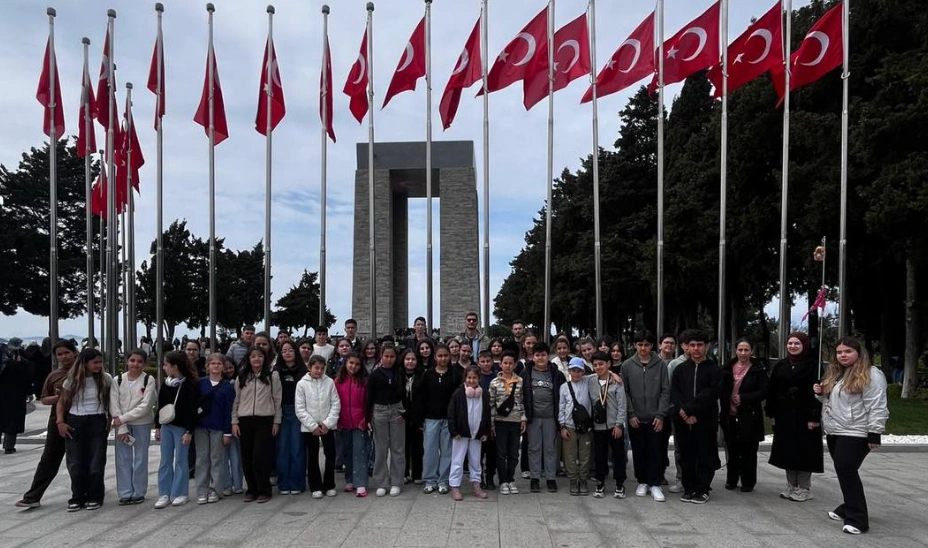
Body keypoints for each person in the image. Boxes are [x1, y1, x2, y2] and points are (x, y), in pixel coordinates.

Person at [814, 337, 889, 535]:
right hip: (835, 430)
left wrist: (875, 432)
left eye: (848, 351)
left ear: (858, 353)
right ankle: (848, 507)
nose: (843, 355)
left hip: (856, 431)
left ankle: (857, 519)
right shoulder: (837, 373)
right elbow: (832, 400)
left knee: (846, 470)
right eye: (839, 352)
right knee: (843, 471)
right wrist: (820, 392)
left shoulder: (872, 374)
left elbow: (877, 405)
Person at [15, 340, 79, 508]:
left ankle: (81, 494)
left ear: (74, 353)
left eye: (67, 352)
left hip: (80, 419)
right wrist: (61, 397)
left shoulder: (85, 372)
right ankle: (33, 496)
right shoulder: (54, 376)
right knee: (49, 459)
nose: (64, 357)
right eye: (59, 354)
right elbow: (44, 399)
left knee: (78, 460)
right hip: (57, 421)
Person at [766, 332, 823, 503]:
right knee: (787, 450)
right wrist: (771, 412)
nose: (792, 346)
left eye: (797, 343)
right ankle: (791, 484)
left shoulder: (814, 365)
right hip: (784, 415)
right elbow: (772, 390)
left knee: (805, 450)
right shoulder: (781, 365)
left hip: (805, 415)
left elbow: (819, 393)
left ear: (804, 345)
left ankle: (804, 487)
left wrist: (814, 417)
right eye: (790, 343)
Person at [56, 348, 112, 512]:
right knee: (76, 462)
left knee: (96, 461)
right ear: (85, 363)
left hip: (97, 419)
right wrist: (60, 422)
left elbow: (111, 400)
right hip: (76, 420)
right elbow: (61, 402)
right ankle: (78, 495)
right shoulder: (72, 380)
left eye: (100, 362)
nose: (98, 366)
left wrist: (109, 420)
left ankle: (95, 496)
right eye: (94, 362)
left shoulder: (105, 379)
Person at [670, 329, 722, 505]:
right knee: (686, 455)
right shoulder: (680, 369)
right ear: (687, 347)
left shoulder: (714, 369)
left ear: (706, 347)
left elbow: (711, 393)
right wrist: (684, 412)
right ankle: (689, 487)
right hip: (683, 421)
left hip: (705, 420)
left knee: (705, 454)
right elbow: (675, 393)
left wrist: (692, 411)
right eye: (692, 345)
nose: (696, 348)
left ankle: (702, 488)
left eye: (700, 345)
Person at [621, 330, 671, 502]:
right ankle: (642, 481)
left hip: (655, 417)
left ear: (652, 346)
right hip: (636, 417)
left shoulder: (661, 365)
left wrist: (661, 414)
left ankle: (655, 483)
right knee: (638, 450)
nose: (643, 348)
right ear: (635, 345)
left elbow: (665, 390)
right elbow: (624, 391)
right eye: (640, 344)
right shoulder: (627, 365)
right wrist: (631, 413)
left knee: (656, 450)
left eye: (647, 345)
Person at [232, 346, 282, 503]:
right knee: (246, 457)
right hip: (245, 419)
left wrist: (276, 421)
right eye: (253, 356)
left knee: (260, 456)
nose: (256, 359)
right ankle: (251, 489)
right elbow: (236, 401)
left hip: (264, 419)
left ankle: (264, 489)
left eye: (260, 356)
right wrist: (234, 421)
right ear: (248, 359)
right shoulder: (242, 376)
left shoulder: (272, 375)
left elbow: (277, 399)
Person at [719, 339, 768, 493]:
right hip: (730, 415)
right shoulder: (727, 368)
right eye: (740, 349)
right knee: (732, 450)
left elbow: (764, 391)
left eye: (746, 350)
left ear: (751, 351)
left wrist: (744, 398)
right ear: (735, 350)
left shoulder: (758, 370)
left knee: (749, 451)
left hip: (749, 416)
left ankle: (748, 481)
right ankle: (731, 479)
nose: (743, 353)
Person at [110, 349, 157, 505]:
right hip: (121, 426)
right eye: (132, 360)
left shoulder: (148, 380)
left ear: (144, 363)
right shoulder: (117, 380)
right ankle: (125, 492)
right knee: (122, 458)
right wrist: (121, 426)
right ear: (127, 361)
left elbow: (145, 406)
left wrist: (122, 419)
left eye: (139, 361)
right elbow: (114, 404)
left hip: (141, 423)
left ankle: (138, 491)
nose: (135, 364)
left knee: (140, 457)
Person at [154, 350, 200, 509]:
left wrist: (189, 431)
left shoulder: (190, 384)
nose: (164, 367)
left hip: (181, 428)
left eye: (166, 364)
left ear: (175, 366)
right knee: (165, 460)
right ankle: (164, 493)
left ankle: (180, 493)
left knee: (181, 460)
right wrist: (158, 426)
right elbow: (160, 407)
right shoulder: (165, 384)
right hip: (166, 425)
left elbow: (192, 410)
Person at [416, 344, 462, 494]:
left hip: (448, 419)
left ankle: (443, 480)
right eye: (440, 356)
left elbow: (458, 398)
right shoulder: (427, 375)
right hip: (431, 418)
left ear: (449, 357)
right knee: (429, 450)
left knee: (447, 451)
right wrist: (420, 418)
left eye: (445, 356)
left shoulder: (455, 374)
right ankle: (430, 479)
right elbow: (421, 397)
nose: (443, 358)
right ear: (435, 357)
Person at [523, 341, 565, 493]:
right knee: (534, 448)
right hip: (533, 418)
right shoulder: (526, 373)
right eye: (537, 355)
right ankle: (535, 478)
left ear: (548, 356)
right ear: (532, 357)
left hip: (550, 418)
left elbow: (563, 396)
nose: (540, 358)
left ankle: (550, 478)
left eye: (543, 355)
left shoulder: (557, 374)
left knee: (550, 448)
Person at [295, 355, 340, 498]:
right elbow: (300, 408)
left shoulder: (330, 382)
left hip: (327, 425)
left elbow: (335, 404)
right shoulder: (302, 384)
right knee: (312, 456)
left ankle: (329, 484)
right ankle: (315, 485)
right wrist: (312, 425)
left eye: (322, 368)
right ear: (310, 367)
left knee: (331, 454)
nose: (319, 371)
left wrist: (327, 423)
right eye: (316, 368)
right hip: (310, 427)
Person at [195, 353, 235, 505]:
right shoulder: (200, 384)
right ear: (207, 366)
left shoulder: (227, 387)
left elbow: (228, 410)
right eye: (213, 363)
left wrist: (227, 432)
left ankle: (215, 489)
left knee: (217, 458)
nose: (216, 366)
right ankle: (201, 490)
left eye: (219, 364)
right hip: (201, 427)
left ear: (223, 367)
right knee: (201, 459)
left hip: (218, 427)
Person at [367, 345, 406, 497]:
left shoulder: (399, 373)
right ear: (381, 357)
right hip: (379, 411)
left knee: (398, 448)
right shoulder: (375, 374)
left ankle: (396, 482)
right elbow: (369, 397)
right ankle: (381, 482)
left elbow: (404, 394)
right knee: (380, 448)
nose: (389, 359)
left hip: (397, 410)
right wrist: (367, 417)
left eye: (392, 357)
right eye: (386, 356)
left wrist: (405, 412)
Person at [588, 351, 627, 499]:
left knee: (618, 455)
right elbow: (576, 375)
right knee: (600, 456)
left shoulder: (617, 382)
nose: (598, 367)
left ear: (608, 364)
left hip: (614, 425)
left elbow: (622, 405)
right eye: (595, 365)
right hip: (598, 426)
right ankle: (600, 483)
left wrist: (619, 424)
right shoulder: (590, 380)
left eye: (601, 364)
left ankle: (619, 484)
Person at [448, 366, 491, 501]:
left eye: (474, 378)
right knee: (457, 460)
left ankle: (476, 485)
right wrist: (454, 431)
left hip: (476, 433)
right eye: (469, 377)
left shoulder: (484, 394)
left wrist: (486, 431)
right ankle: (455, 486)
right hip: (461, 433)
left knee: (475, 460)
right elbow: (451, 413)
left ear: (479, 379)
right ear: (465, 378)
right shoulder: (458, 394)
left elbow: (487, 414)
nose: (472, 380)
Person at [489, 351, 526, 495]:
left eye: (511, 363)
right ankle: (503, 481)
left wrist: (523, 419)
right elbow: (491, 404)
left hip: (515, 421)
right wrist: (491, 424)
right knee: (501, 453)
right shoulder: (494, 382)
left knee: (514, 453)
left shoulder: (520, 381)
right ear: (500, 364)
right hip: (500, 421)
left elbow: (522, 401)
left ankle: (511, 479)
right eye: (505, 363)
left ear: (515, 364)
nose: (508, 365)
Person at [335, 353, 370, 497]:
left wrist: (366, 419)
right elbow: (333, 402)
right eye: (351, 363)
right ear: (345, 363)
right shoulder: (337, 381)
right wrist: (336, 420)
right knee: (346, 451)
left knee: (360, 451)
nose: (353, 366)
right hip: (343, 421)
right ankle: (349, 480)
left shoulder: (364, 381)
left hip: (359, 421)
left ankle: (361, 483)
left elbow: (369, 403)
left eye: (357, 364)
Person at [275, 340, 307, 495]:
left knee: (297, 448)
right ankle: (283, 482)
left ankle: (297, 482)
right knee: (282, 449)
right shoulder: (276, 371)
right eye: (284, 350)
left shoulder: (303, 370)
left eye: (290, 350)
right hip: (281, 411)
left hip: (298, 411)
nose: (287, 353)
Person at [559, 358, 594, 496]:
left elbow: (601, 372)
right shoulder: (564, 387)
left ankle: (583, 479)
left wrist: (614, 374)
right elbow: (561, 407)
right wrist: (562, 426)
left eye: (579, 371)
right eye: (573, 370)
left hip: (585, 426)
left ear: (583, 371)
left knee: (585, 455)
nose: (576, 373)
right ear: (569, 371)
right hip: (569, 426)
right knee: (570, 455)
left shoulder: (589, 382)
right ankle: (573, 480)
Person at [0, 337, 33, 454]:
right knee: (12, 422)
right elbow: (25, 379)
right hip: (15, 395)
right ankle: (9, 446)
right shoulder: (19, 363)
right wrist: (29, 392)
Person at [400, 348, 425, 484]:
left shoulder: (422, 375)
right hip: (401, 416)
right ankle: (404, 472)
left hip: (417, 416)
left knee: (418, 447)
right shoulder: (398, 375)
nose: (410, 362)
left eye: (413, 359)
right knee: (403, 447)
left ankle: (417, 473)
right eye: (407, 359)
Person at [475, 350, 499, 489]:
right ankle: (479, 479)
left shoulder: (497, 378)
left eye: (488, 361)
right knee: (478, 453)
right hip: (478, 420)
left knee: (492, 452)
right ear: (478, 362)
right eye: (482, 361)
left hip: (494, 421)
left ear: (492, 362)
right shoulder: (475, 379)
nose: (485, 364)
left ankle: (490, 477)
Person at [221, 356, 244, 496]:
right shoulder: (219, 383)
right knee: (223, 457)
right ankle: (225, 485)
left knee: (236, 457)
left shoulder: (240, 381)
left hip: (237, 422)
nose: (229, 370)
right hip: (221, 423)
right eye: (226, 368)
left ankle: (238, 484)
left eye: (231, 367)